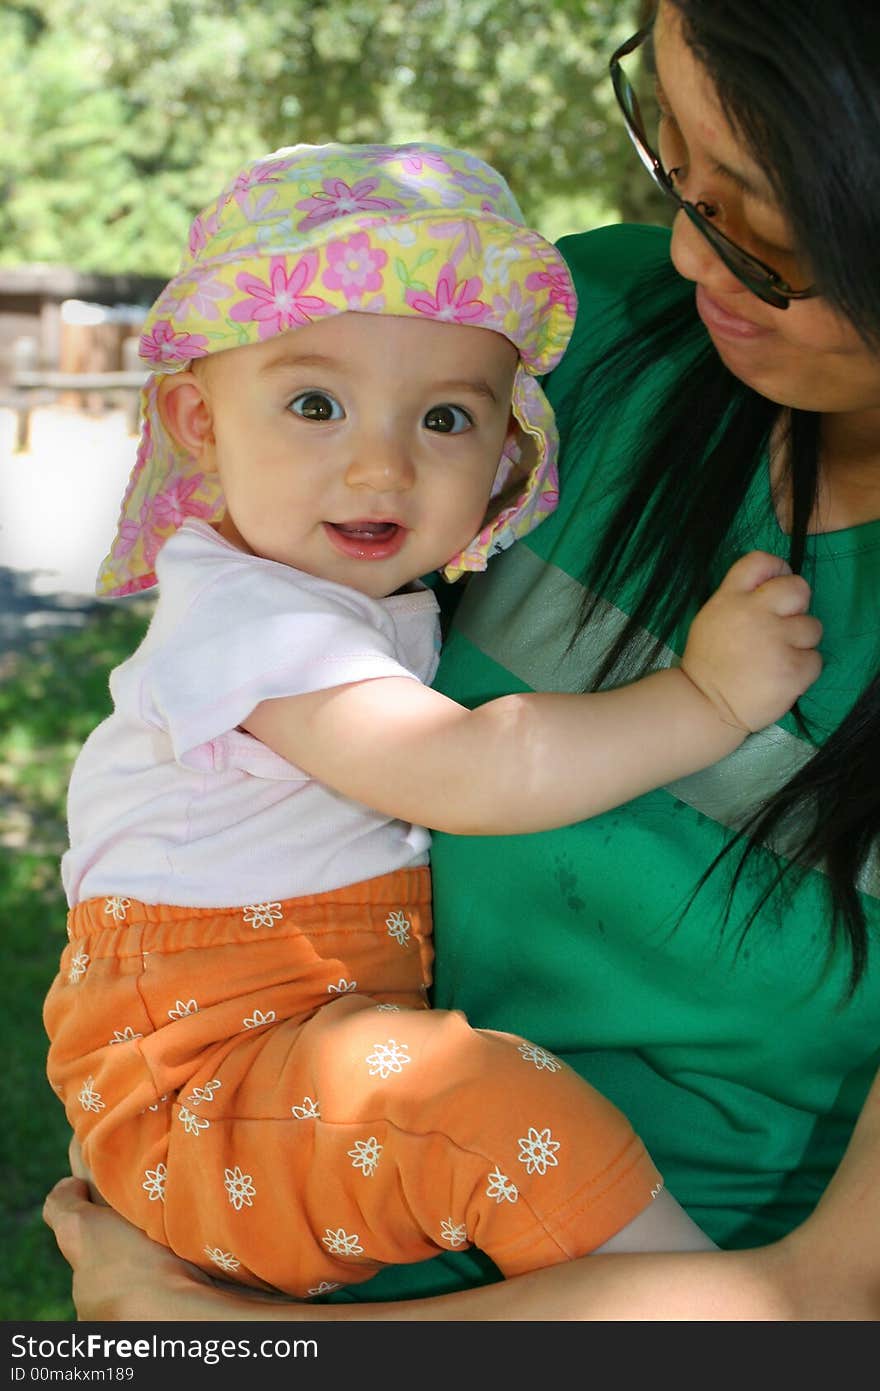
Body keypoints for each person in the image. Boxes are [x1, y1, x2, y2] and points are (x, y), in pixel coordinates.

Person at [44, 0, 880, 1320]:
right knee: (486, 1112)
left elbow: (830, 1304)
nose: (683, 246)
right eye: (675, 154)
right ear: (197, 420)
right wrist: (707, 700)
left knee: (487, 1115)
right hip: (238, 1096)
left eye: (762, 213)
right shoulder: (271, 612)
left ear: (503, 455)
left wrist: (216, 1348)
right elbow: (470, 770)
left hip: (361, 1177)